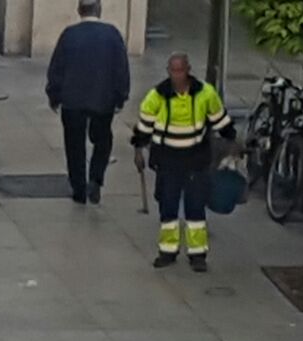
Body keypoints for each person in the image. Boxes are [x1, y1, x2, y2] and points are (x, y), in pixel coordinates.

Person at [131, 54, 232, 271]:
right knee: (168, 206)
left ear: (188, 70)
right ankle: (168, 251)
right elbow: (144, 126)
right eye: (173, 71)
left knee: (195, 207)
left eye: (180, 70)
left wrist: (231, 143)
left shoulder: (205, 93)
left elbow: (220, 119)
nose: (176, 75)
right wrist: (138, 149)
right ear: (168, 71)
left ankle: (198, 255)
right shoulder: (157, 95)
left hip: (195, 158)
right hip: (168, 159)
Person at [45, 0, 130, 205]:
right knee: (103, 139)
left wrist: (54, 95)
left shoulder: (69, 35)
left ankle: (79, 189)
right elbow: (121, 68)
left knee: (74, 145)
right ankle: (96, 178)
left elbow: (57, 67)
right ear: (99, 10)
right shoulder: (112, 34)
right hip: (103, 99)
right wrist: (121, 96)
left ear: (79, 11)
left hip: (73, 100)